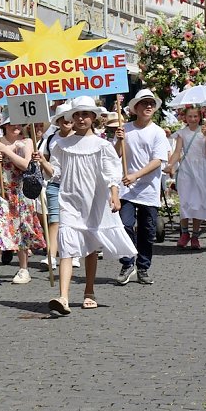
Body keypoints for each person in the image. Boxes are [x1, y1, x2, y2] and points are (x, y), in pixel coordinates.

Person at [47, 96, 136, 316]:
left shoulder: (103, 145)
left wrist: (114, 196)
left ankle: (89, 290)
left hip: (94, 201)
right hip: (69, 200)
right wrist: (42, 162)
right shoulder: (60, 144)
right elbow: (56, 174)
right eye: (77, 114)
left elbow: (111, 173)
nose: (80, 118)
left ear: (93, 117)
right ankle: (64, 297)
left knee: (90, 247)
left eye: (85, 114)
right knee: (66, 246)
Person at [0, 114, 45, 288]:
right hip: (2, 193)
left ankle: (23, 269)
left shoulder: (27, 142)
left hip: (21, 193)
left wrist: (6, 152)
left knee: (21, 230)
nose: (16, 126)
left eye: (19, 123)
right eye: (12, 123)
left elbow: (25, 164)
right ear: (4, 126)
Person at [114, 88, 170, 284]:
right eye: (144, 103)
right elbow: (115, 156)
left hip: (148, 189)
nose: (148, 106)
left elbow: (158, 161)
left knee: (147, 231)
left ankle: (143, 267)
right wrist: (118, 141)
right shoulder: (125, 129)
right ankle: (128, 262)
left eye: (151, 104)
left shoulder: (158, 133)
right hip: (126, 190)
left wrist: (136, 175)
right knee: (124, 225)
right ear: (135, 108)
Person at [165, 106, 206, 250]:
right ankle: (184, 233)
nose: (193, 119)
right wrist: (170, 164)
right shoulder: (182, 133)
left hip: (202, 169)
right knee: (186, 201)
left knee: (199, 203)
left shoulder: (205, 131)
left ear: (200, 117)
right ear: (185, 118)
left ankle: (195, 236)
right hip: (187, 170)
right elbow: (177, 152)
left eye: (195, 116)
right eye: (190, 116)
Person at [36, 103, 73, 271]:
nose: (67, 121)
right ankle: (51, 256)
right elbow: (45, 160)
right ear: (57, 121)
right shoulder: (50, 139)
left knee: (73, 221)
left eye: (69, 117)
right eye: (63, 118)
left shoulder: (80, 137)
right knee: (54, 220)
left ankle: (73, 254)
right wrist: (43, 163)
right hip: (55, 184)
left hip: (75, 186)